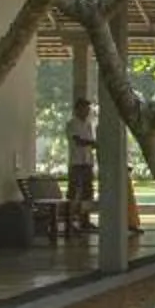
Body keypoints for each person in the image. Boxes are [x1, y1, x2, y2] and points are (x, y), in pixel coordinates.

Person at [66, 97, 97, 236]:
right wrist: (93, 143)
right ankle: (71, 222)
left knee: (87, 192)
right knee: (74, 192)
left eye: (88, 109)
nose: (87, 111)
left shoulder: (89, 125)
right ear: (77, 109)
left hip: (87, 162)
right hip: (76, 163)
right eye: (84, 108)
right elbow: (78, 141)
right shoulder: (72, 124)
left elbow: (90, 142)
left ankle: (85, 220)